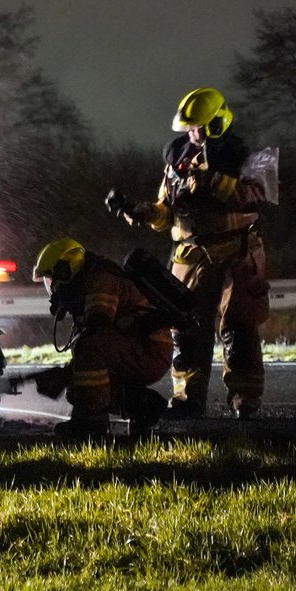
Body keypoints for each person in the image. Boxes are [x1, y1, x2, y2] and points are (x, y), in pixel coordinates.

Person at [106, 86, 270, 418]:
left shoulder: (245, 156)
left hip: (237, 253)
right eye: (189, 129)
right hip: (191, 256)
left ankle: (245, 399)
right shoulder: (176, 158)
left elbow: (256, 197)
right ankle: (187, 398)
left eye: (199, 127)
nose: (193, 135)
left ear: (217, 123)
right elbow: (166, 212)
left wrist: (212, 182)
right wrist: (140, 211)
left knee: (239, 328)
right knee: (186, 328)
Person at [27, 238, 172, 436]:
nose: (52, 289)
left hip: (150, 350)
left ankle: (91, 423)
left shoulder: (101, 279)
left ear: (66, 270)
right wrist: (65, 376)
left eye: (52, 280)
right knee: (79, 389)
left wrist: (68, 373)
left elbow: (98, 330)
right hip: (141, 347)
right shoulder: (88, 282)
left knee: (88, 349)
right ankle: (144, 406)